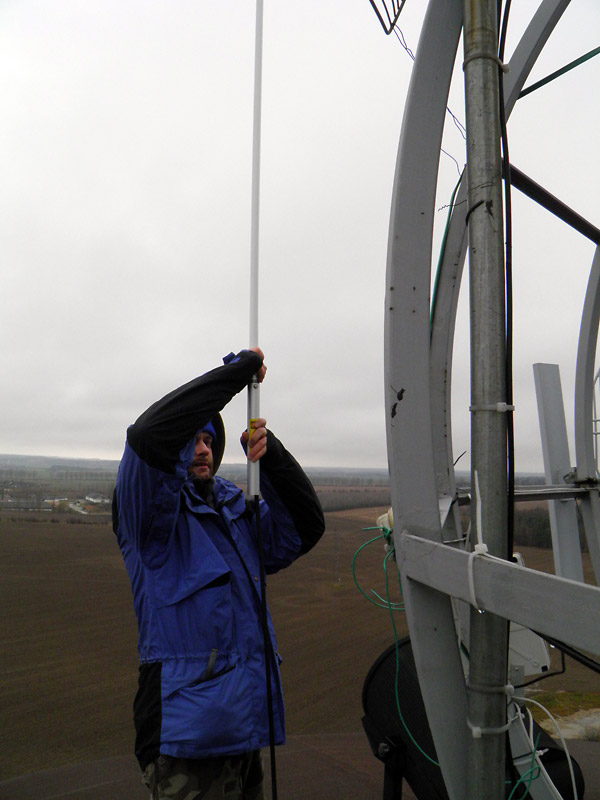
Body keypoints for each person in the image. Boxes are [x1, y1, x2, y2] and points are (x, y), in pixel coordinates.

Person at [112, 347, 325, 800]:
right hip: (185, 740)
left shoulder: (234, 514)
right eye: (191, 439)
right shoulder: (149, 522)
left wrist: (271, 456)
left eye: (209, 440)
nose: (203, 449)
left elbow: (305, 527)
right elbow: (148, 436)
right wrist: (232, 378)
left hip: (242, 730)